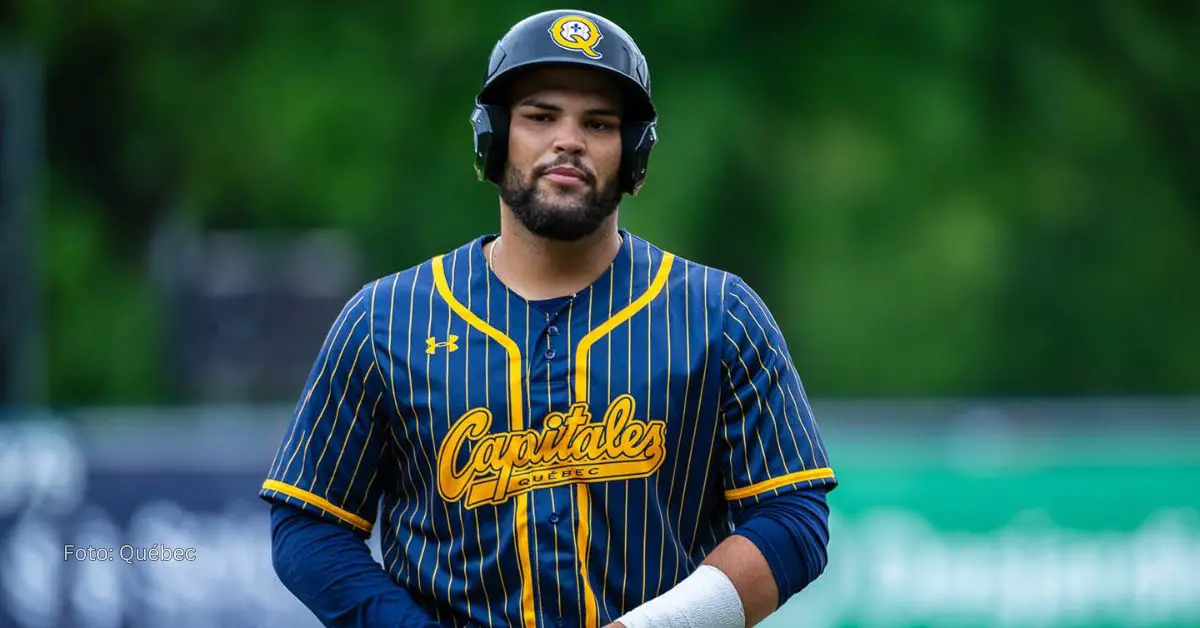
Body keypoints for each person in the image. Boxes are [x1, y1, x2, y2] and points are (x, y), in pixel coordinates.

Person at [261, 9, 836, 628]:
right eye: (540, 116)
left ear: (634, 155)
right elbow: (307, 524)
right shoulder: (384, 319)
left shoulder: (719, 314)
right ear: (494, 136)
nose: (569, 139)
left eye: (599, 122)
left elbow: (793, 515)